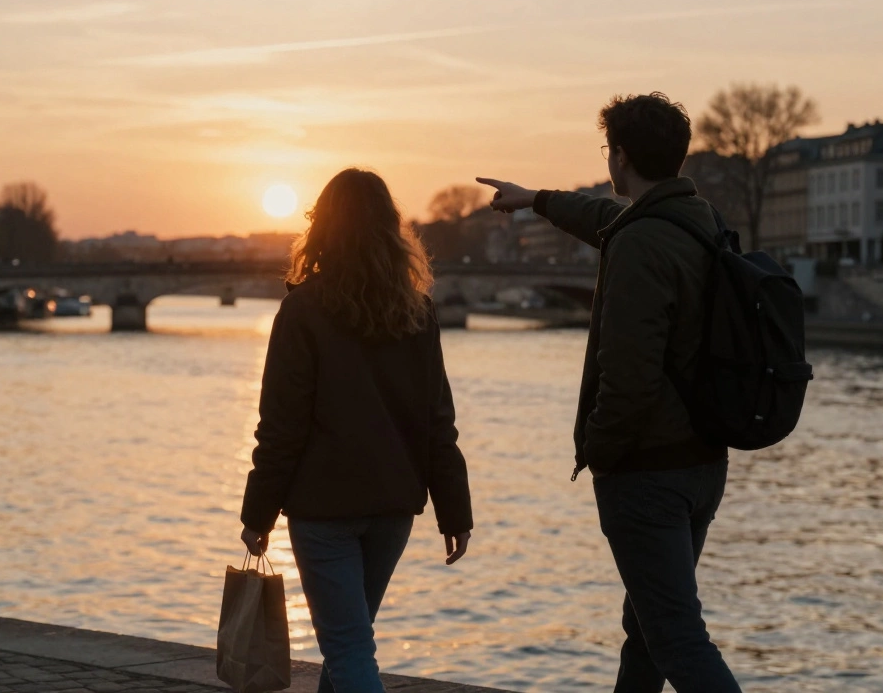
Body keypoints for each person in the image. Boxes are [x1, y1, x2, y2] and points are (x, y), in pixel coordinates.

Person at [477, 92, 742, 693]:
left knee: (674, 634)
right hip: (703, 460)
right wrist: (537, 200)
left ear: (619, 157)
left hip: (648, 467)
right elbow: (605, 219)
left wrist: (601, 451)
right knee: (647, 627)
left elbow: (627, 373)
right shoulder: (695, 220)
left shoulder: (641, 243)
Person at [240, 168, 474, 693]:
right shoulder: (418, 312)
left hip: (324, 507)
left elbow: (281, 427)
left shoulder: (302, 311)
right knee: (349, 642)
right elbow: (438, 420)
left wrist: (258, 514)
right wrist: (454, 510)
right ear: (391, 231)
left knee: (346, 648)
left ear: (322, 227)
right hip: (393, 506)